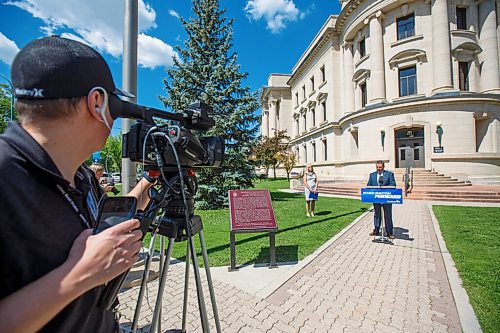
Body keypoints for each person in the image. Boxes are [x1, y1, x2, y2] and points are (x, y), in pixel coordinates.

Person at [0, 36, 158, 333]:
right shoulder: (6, 176)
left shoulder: (80, 172)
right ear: (96, 103)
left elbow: (107, 224)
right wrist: (80, 274)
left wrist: (149, 181)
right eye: (115, 106)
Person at [366, 160, 397, 239]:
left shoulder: (389, 174)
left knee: (388, 215)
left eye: (380, 167)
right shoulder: (372, 175)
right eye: (377, 167)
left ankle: (389, 232)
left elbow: (393, 185)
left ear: (383, 167)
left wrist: (384, 188)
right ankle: (376, 230)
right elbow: (368, 185)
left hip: (386, 198)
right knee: (377, 214)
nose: (378, 169)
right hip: (376, 198)